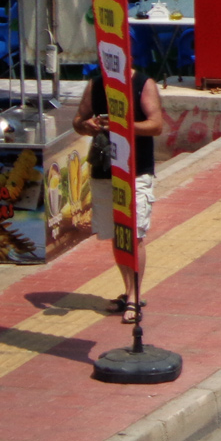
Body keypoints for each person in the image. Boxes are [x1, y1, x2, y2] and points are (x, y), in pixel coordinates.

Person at [73, 70, 164, 323]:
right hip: (104, 169)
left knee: (134, 234)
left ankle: (135, 296)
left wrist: (122, 127)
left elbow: (156, 125)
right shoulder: (97, 82)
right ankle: (127, 290)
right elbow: (78, 121)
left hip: (135, 169)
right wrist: (87, 125)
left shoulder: (142, 83)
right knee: (116, 232)